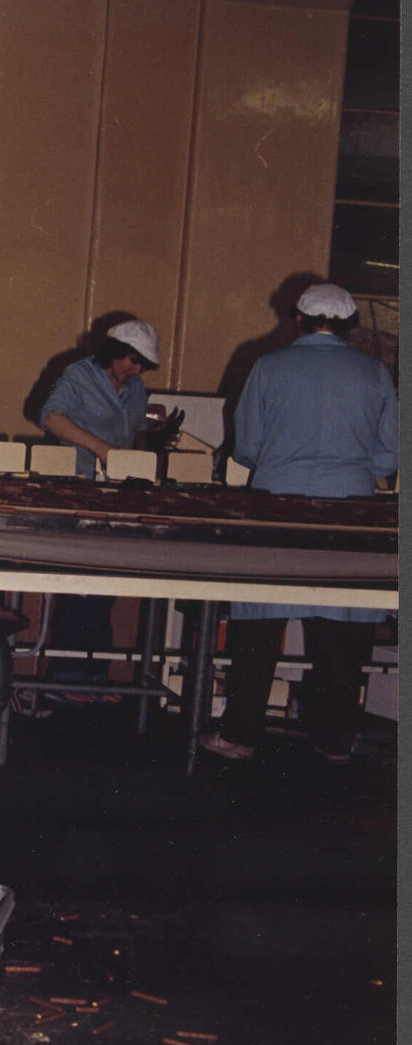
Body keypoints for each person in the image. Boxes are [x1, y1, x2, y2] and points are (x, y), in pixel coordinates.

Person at [201, 282, 397, 766]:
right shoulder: (374, 372)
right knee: (342, 627)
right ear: (351, 325)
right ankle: (335, 738)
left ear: (298, 319)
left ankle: (241, 733)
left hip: (278, 503)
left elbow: (247, 446)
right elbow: (389, 455)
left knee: (259, 625)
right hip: (349, 510)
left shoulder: (268, 366)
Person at [37, 319, 180, 696]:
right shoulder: (78, 375)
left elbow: (132, 437)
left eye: (142, 365)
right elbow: (51, 417)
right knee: (80, 592)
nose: (137, 370)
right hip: (80, 492)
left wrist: (153, 443)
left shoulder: (135, 388)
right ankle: (67, 679)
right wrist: (102, 450)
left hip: (115, 497)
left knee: (102, 594)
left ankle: (91, 678)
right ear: (113, 353)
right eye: (132, 361)